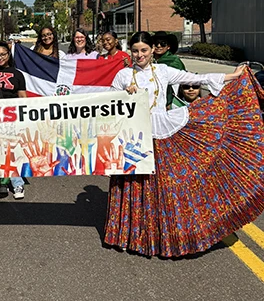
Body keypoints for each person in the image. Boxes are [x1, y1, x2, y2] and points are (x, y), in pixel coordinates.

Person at [104, 31, 264, 257]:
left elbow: (195, 78)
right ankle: (131, 236)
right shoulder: (122, 76)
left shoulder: (163, 71)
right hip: (135, 138)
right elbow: (107, 107)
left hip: (162, 132)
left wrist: (232, 76)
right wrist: (123, 95)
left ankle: (168, 237)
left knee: (165, 186)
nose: (139, 55)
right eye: (135, 50)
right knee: (134, 185)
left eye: (144, 50)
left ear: (151, 51)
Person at [0, 41, 27, 199]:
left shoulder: (18, 74)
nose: (0, 58)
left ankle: (16, 183)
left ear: (9, 55)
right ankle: (2, 181)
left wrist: (24, 116)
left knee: (10, 150)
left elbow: (23, 98)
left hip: (11, 116)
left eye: (3, 54)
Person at [152, 31, 186, 106]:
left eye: (163, 43)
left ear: (168, 46)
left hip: (168, 101)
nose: (158, 46)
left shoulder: (174, 61)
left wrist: (169, 102)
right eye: (156, 43)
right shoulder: (148, 60)